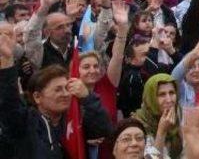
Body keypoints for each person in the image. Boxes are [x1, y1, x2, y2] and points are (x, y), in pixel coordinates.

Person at [0, 25, 111, 158]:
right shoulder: (25, 122)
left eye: (67, 88)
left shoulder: (75, 118)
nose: (65, 94)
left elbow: (104, 129)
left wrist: (88, 98)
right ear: (37, 97)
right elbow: (9, 103)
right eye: (57, 90)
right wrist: (7, 60)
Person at [132, 73, 182, 159]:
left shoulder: (179, 113)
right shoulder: (138, 124)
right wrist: (161, 131)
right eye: (162, 94)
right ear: (151, 97)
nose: (169, 100)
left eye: (172, 93)